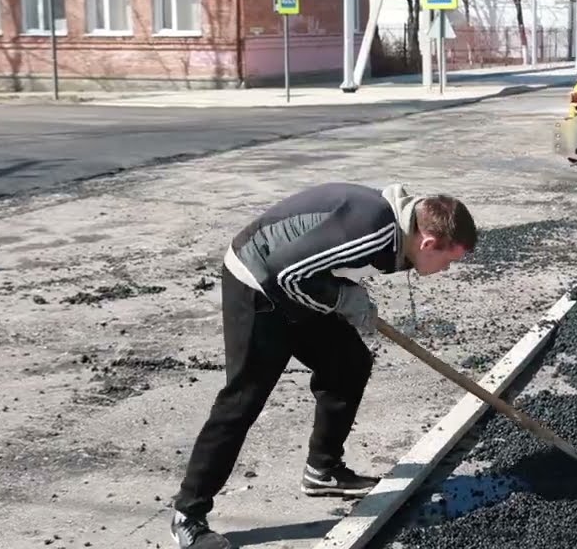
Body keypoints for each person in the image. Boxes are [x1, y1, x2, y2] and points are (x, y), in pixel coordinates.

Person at [170, 182, 477, 549]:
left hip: (293, 280)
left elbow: (310, 265)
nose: (446, 270)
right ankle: (188, 513)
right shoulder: (375, 228)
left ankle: (323, 470)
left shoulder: (400, 229)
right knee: (243, 399)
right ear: (428, 243)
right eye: (450, 260)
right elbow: (285, 274)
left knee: (348, 364)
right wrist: (342, 297)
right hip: (257, 280)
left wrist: (342, 296)